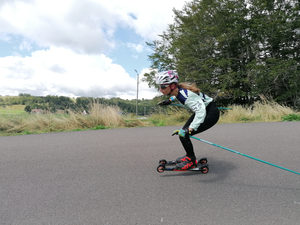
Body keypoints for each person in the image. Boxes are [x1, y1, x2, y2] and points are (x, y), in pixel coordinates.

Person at [156, 70, 220, 170]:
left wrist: (191, 128)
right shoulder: (178, 90)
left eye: (163, 87)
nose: (161, 89)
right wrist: (170, 100)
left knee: (185, 134)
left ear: (172, 86)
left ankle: (191, 161)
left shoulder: (186, 96)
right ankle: (189, 156)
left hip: (209, 113)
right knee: (183, 134)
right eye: (160, 86)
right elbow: (177, 95)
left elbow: (200, 111)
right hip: (204, 110)